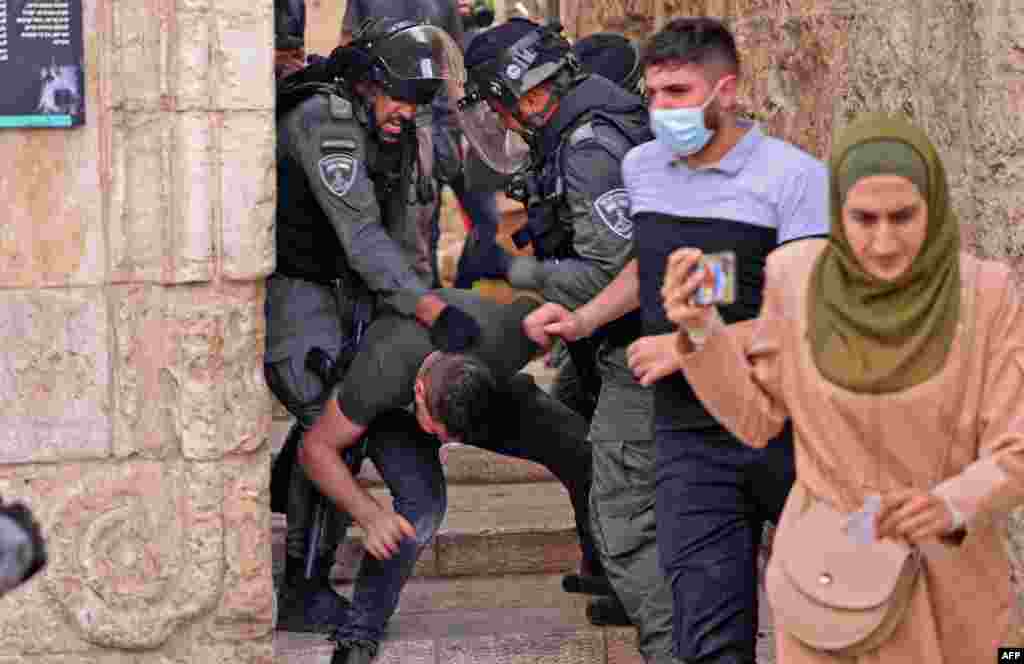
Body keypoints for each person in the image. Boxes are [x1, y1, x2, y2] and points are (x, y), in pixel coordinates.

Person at [661, 111, 1024, 663]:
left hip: (951, 589)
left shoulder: (988, 294)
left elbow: (1016, 446)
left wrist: (951, 503)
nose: (883, 243)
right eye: (863, 218)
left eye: (903, 217)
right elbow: (757, 421)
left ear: (936, 206)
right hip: (827, 585)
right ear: (836, 212)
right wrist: (701, 331)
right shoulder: (794, 279)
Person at [525, 17, 829, 664]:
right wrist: (582, 320)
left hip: (785, 429)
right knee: (709, 634)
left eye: (679, 93)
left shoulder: (794, 178)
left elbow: (804, 311)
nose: (661, 109)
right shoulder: (642, 168)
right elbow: (647, 267)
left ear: (726, 90)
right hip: (687, 437)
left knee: (833, 615)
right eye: (655, 93)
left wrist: (690, 345)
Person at [453, 18, 676, 660]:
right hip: (620, 335)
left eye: (499, 104)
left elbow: (612, 265)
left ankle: (672, 641)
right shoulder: (578, 130)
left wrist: (523, 275)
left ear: (525, 94)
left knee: (625, 516)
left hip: (641, 337)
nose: (499, 118)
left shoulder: (585, 146)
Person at [268, 18, 483, 635]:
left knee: (342, 422)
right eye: (403, 97)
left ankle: (297, 521)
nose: (410, 112)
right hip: (299, 293)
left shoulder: (391, 128)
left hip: (348, 297)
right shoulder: (327, 121)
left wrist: (410, 307)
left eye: (421, 101)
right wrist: (428, 309)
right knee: (326, 422)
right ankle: (303, 588)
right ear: (367, 84)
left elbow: (399, 235)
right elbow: (361, 237)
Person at [300, 288, 602, 664]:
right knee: (423, 506)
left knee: (580, 446)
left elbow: (550, 312)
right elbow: (314, 449)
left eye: (455, 437)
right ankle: (361, 630)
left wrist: (582, 377)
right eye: (441, 431)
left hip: (476, 384)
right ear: (420, 391)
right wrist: (371, 516)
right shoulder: (379, 372)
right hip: (395, 415)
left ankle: (600, 567)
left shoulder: (505, 336)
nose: (447, 444)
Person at [342, 0, 505, 278]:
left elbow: (452, 64)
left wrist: (468, 127)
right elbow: (348, 49)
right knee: (411, 226)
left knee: (445, 218)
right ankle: (421, 297)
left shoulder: (444, 4)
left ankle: (446, 291)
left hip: (438, 123)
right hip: (393, 121)